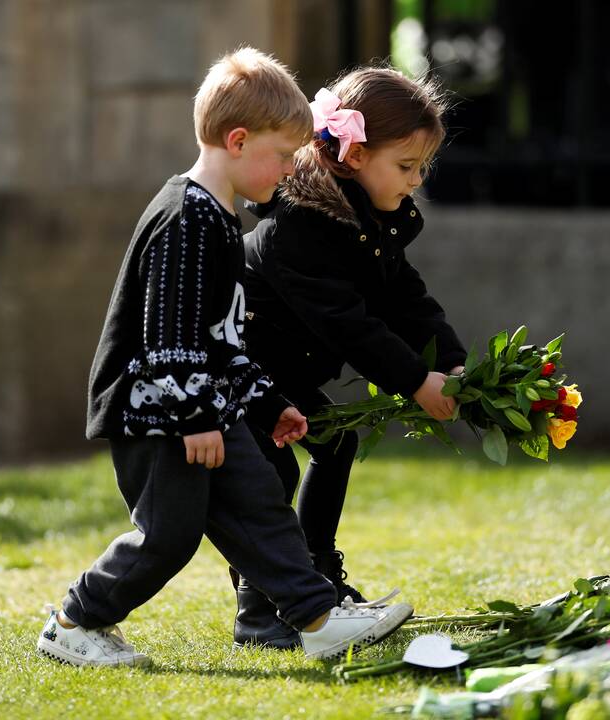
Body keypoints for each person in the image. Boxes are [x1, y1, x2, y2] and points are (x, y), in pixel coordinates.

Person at [35, 49, 412, 666]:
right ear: (238, 140)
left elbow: (222, 341)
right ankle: (75, 621)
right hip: (159, 416)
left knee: (261, 504)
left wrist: (267, 403)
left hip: (200, 407)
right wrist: (196, 419)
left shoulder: (219, 218)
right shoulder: (186, 216)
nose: (291, 172)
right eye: (284, 157)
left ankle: (317, 619)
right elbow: (170, 337)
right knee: (168, 536)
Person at [236, 67, 466, 649]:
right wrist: (415, 381)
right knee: (271, 474)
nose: (416, 182)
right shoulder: (300, 223)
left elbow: (406, 299)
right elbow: (346, 321)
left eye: (423, 169)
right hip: (242, 370)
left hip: (289, 371)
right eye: (407, 166)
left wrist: (454, 364)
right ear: (356, 154)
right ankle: (261, 611)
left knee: (335, 444)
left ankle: (318, 584)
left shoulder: (373, 221)